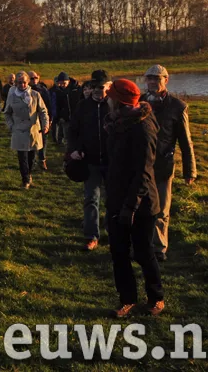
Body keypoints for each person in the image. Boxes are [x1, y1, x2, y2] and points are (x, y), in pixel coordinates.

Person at [104, 79, 163, 318]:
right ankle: (127, 300)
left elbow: (143, 172)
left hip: (142, 203)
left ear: (119, 101)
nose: (107, 99)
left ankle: (156, 297)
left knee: (143, 253)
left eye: (110, 96)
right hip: (117, 198)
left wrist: (131, 206)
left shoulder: (143, 128)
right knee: (119, 253)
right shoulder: (117, 123)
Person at [140, 65, 197, 262]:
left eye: (157, 79)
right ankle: (140, 244)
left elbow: (186, 141)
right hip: (140, 164)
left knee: (161, 209)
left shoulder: (178, 106)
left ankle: (158, 248)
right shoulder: (139, 102)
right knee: (138, 207)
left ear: (166, 80)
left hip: (163, 164)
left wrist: (190, 170)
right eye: (149, 78)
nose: (152, 82)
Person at [68, 70, 112, 251]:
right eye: (95, 86)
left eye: (102, 87)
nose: (98, 90)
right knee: (91, 199)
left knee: (113, 199)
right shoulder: (83, 106)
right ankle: (91, 236)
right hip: (90, 160)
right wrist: (74, 149)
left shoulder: (114, 105)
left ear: (109, 87)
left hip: (112, 161)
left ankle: (112, 232)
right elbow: (73, 130)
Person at [4, 71, 49, 189]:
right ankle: (25, 180)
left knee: (31, 157)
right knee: (22, 157)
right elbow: (7, 113)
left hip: (33, 131)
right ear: (16, 83)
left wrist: (45, 125)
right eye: (19, 83)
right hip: (19, 131)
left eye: (24, 82)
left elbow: (43, 111)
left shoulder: (35, 95)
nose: (22, 85)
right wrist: (11, 126)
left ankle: (29, 174)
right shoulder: (12, 96)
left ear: (28, 82)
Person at [28, 71, 53, 170]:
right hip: (31, 119)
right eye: (32, 78)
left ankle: (42, 160)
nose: (34, 80)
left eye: (36, 78)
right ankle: (32, 161)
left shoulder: (43, 89)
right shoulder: (25, 90)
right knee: (32, 141)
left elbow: (49, 104)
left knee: (43, 140)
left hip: (42, 118)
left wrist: (50, 119)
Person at [50, 72, 82, 145]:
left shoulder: (77, 89)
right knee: (67, 138)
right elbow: (58, 105)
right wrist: (60, 116)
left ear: (68, 81)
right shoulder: (59, 91)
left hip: (77, 117)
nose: (62, 85)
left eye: (64, 83)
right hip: (66, 119)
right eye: (60, 83)